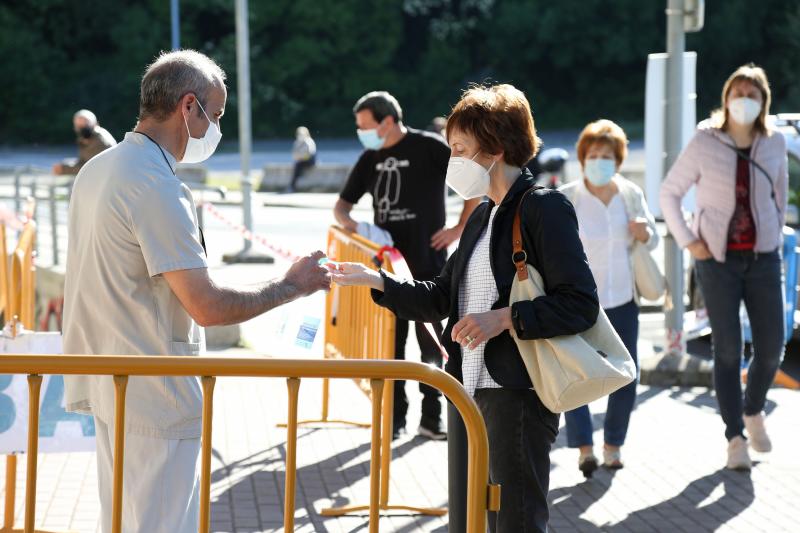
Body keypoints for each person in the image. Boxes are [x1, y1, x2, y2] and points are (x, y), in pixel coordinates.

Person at [62, 50, 331, 533]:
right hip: (153, 394)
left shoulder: (99, 169)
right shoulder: (154, 185)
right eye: (217, 113)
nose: (217, 128)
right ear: (189, 107)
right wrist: (291, 286)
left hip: (111, 382)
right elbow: (206, 305)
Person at [329, 84, 599, 532]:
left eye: (459, 149)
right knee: (472, 520)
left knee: (515, 520)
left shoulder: (542, 208)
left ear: (495, 149)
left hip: (517, 393)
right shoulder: (482, 215)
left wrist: (505, 318)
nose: (452, 160)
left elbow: (580, 303)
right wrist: (374, 280)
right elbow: (441, 295)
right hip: (465, 389)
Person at [660, 64, 788, 471]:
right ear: (726, 97)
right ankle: (734, 436)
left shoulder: (775, 141)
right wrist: (689, 241)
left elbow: (779, 196)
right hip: (715, 259)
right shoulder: (705, 139)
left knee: (771, 348)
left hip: (763, 257)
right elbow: (670, 193)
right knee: (728, 349)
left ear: (763, 101)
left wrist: (772, 235)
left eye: (753, 93)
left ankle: (753, 411)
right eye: (739, 92)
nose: (745, 99)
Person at [333, 91, 480, 440]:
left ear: (387, 121)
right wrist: (358, 230)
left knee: (431, 344)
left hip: (428, 267)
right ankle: (394, 419)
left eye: (365, 126)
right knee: (390, 349)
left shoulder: (428, 147)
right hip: (385, 271)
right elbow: (341, 207)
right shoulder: (370, 158)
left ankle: (431, 418)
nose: (361, 133)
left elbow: (474, 187)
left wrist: (457, 229)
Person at [559, 119, 658, 477]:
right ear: (583, 157)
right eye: (593, 154)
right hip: (578, 301)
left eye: (606, 155)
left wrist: (645, 233)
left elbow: (653, 239)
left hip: (622, 299)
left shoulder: (631, 194)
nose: (599, 160)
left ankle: (613, 444)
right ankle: (585, 448)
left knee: (626, 375)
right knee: (577, 374)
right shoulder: (567, 196)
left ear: (618, 160)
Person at [52, 109, 117, 175]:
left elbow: (91, 168)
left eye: (85, 125)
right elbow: (83, 160)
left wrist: (64, 169)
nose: (81, 129)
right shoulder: (88, 136)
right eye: (79, 126)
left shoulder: (99, 140)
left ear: (94, 124)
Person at [285, 126, 317, 192]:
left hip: (309, 161)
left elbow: (310, 154)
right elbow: (294, 154)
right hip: (301, 160)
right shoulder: (297, 142)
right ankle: (292, 186)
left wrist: (300, 157)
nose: (300, 135)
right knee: (297, 165)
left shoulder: (309, 141)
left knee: (298, 166)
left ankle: (292, 186)